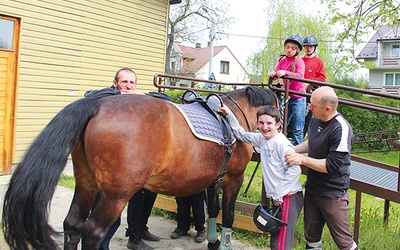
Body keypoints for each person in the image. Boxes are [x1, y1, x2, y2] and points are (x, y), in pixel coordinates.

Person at [85, 68, 160, 250]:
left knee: (141, 198)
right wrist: (120, 93)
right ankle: (100, 245)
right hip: (111, 165)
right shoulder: (108, 96)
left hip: (136, 161)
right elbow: (89, 94)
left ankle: (136, 235)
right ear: (115, 82)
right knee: (108, 214)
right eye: (124, 82)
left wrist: (140, 95)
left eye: (131, 83)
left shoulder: (137, 99)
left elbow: (167, 100)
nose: (128, 86)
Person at [218, 104, 303, 250]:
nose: (265, 127)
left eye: (269, 123)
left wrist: (278, 194)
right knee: (276, 242)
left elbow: (295, 169)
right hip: (279, 197)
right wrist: (229, 114)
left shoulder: (282, 144)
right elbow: (241, 133)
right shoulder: (263, 139)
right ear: (257, 123)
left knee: (281, 244)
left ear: (278, 124)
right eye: (261, 123)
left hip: (288, 197)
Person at [285, 86, 358, 250]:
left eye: (313, 105)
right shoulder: (316, 118)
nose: (310, 108)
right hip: (313, 190)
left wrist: (302, 160)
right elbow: (313, 142)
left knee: (344, 242)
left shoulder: (341, 129)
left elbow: (331, 166)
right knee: (311, 237)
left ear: (328, 108)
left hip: (332, 194)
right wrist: (292, 149)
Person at [269, 34, 306, 146]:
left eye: (293, 48)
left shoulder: (299, 62)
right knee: (283, 123)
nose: (289, 50)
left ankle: (297, 151)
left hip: (298, 97)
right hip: (287, 97)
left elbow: (300, 76)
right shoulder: (283, 61)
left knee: (297, 127)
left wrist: (286, 73)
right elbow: (276, 74)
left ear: (298, 50)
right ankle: (281, 145)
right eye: (287, 47)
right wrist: (273, 74)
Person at [302, 35, 326, 137]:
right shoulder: (300, 60)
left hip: (309, 94)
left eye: (310, 47)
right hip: (298, 92)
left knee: (307, 117)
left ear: (314, 48)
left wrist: (309, 83)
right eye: (306, 46)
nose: (308, 48)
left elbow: (322, 78)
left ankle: (302, 138)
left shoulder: (318, 62)